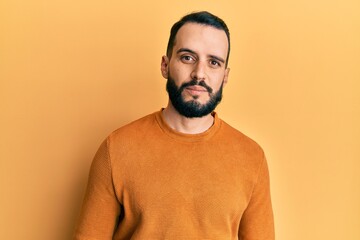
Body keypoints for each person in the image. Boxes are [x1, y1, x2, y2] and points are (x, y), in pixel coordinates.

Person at [74, 11, 274, 240]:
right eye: (188, 57)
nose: (199, 74)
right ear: (165, 65)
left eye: (214, 62)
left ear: (225, 77)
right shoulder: (116, 149)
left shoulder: (251, 157)